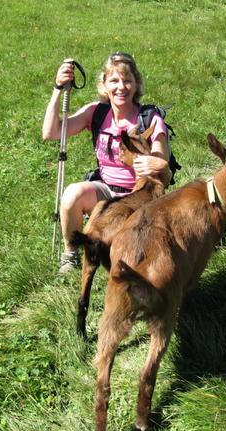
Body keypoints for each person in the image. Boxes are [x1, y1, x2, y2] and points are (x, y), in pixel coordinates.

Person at [42, 52, 171, 273]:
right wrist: (58, 89)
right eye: (114, 80)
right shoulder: (96, 113)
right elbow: (51, 132)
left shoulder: (149, 119)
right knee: (72, 194)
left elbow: (162, 161)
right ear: (104, 85)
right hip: (107, 190)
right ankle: (71, 254)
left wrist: (154, 162)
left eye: (127, 80)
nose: (121, 87)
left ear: (136, 84)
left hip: (139, 196)